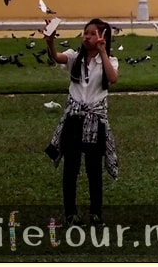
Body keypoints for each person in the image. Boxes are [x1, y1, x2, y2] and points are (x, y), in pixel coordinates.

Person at [44, 18, 120, 227]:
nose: (87, 36)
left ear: (103, 37)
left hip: (95, 120)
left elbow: (113, 79)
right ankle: (71, 215)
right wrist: (50, 42)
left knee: (94, 169)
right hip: (74, 119)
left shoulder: (110, 61)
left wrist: (103, 52)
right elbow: (56, 57)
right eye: (86, 33)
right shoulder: (74, 57)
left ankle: (96, 214)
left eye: (93, 33)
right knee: (71, 168)